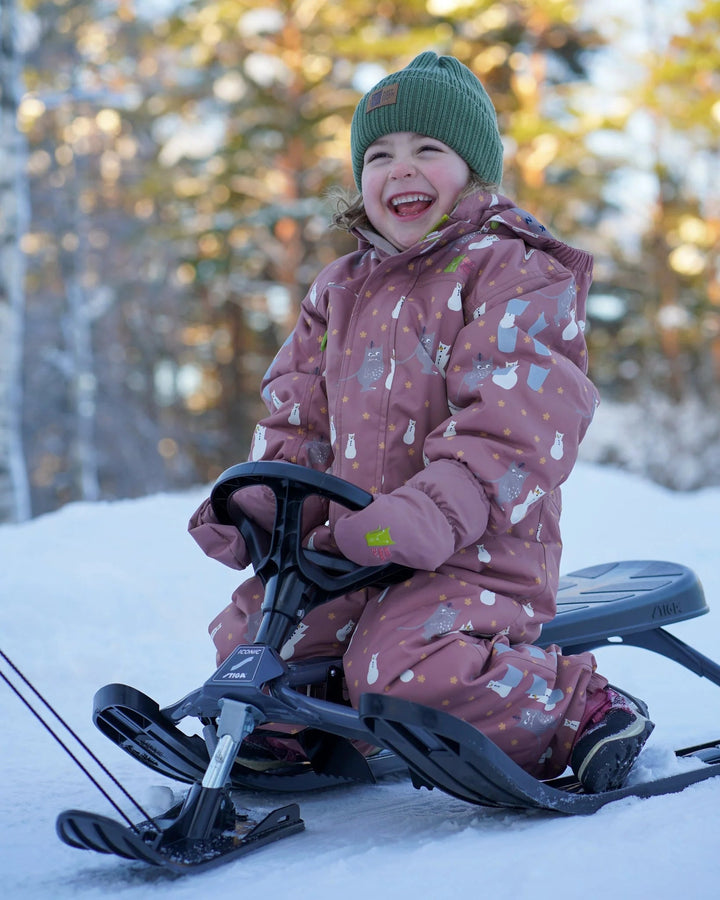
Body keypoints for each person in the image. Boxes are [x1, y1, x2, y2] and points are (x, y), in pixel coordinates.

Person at [189, 51, 653, 793]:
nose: (400, 169)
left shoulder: (513, 270)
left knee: (401, 664)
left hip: (476, 551)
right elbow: (295, 416)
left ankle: (580, 709)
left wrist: (436, 508)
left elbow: (518, 423)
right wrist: (259, 509)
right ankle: (297, 728)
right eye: (379, 155)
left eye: (427, 150)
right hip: (352, 544)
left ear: (473, 170)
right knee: (255, 635)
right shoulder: (338, 288)